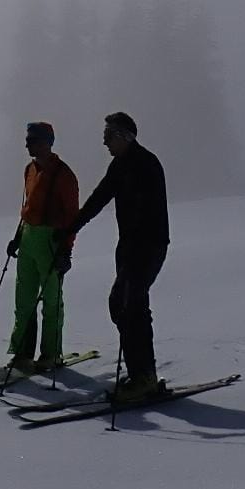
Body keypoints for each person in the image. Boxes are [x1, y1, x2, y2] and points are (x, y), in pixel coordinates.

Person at [60, 111, 170, 402]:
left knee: (132, 304)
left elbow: (150, 209)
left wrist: (139, 238)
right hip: (129, 246)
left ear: (124, 136)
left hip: (148, 245)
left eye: (108, 136)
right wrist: (72, 227)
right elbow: (99, 198)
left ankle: (144, 376)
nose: (105, 142)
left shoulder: (146, 163)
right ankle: (141, 373)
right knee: (120, 305)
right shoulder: (119, 165)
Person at [4, 121, 80, 373]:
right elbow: (27, 206)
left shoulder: (63, 174)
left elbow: (72, 216)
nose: (27, 144)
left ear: (47, 142)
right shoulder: (30, 169)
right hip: (28, 238)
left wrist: (66, 250)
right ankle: (23, 353)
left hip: (52, 240)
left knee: (51, 300)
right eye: (28, 139)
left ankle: (51, 353)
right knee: (23, 298)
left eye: (33, 140)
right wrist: (18, 235)